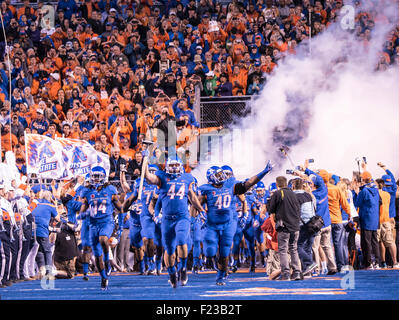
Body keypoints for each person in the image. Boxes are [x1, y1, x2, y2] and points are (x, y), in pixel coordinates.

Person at [198, 161, 273, 285]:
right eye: (218, 175)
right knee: (210, 250)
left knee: (225, 250)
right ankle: (214, 262)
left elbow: (249, 183)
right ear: (211, 178)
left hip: (228, 222)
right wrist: (200, 214)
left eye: (222, 174)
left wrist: (263, 172)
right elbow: (195, 203)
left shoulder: (230, 185)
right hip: (212, 224)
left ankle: (221, 276)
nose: (222, 177)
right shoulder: (206, 189)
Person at [144, 156, 205, 288]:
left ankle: (182, 268)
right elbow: (149, 178)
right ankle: (172, 272)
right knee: (169, 249)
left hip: (182, 217)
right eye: (171, 165)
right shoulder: (161, 177)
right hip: (167, 219)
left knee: (182, 241)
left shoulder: (187, 178)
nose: (174, 168)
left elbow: (192, 196)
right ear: (167, 166)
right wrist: (145, 162)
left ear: (181, 166)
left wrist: (201, 210)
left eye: (176, 165)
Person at [78, 166, 123, 290]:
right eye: (94, 176)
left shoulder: (110, 189)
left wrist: (121, 223)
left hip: (106, 222)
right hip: (93, 225)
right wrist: (82, 215)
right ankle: (103, 277)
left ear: (104, 177)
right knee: (97, 257)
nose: (96, 179)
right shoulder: (87, 191)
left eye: (98, 177)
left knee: (103, 239)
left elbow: (120, 207)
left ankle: (108, 259)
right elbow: (83, 209)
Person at [123, 164, 159, 275]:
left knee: (149, 240)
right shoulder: (139, 184)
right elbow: (130, 198)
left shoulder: (160, 185)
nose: (151, 175)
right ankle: (143, 267)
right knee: (137, 247)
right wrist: (124, 208)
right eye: (150, 172)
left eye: (154, 172)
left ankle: (153, 264)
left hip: (153, 217)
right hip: (137, 221)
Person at [268, 176, 302, 281]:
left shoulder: (278, 194)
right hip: (295, 227)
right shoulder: (293, 194)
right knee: (293, 249)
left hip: (284, 227)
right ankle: (296, 272)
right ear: (286, 183)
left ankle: (286, 273)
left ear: (277, 184)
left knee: (283, 250)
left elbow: (271, 209)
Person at [354, 170, 381, 269]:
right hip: (374, 218)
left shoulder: (364, 191)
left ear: (363, 179)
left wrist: (357, 193)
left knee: (366, 243)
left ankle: (368, 263)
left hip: (366, 218)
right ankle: (377, 262)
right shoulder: (375, 189)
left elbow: (357, 203)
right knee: (374, 241)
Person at [31, 190, 60, 279]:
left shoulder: (35, 203)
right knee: (47, 251)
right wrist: (55, 205)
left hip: (32, 230)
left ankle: (37, 271)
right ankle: (48, 273)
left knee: (36, 251)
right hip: (42, 230)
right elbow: (57, 218)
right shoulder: (50, 206)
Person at [292, 178, 318, 277]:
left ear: (293, 186)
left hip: (304, 225)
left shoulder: (294, 196)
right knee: (307, 248)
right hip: (314, 224)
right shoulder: (308, 195)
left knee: (297, 246)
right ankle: (308, 271)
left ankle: (309, 263)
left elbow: (295, 212)